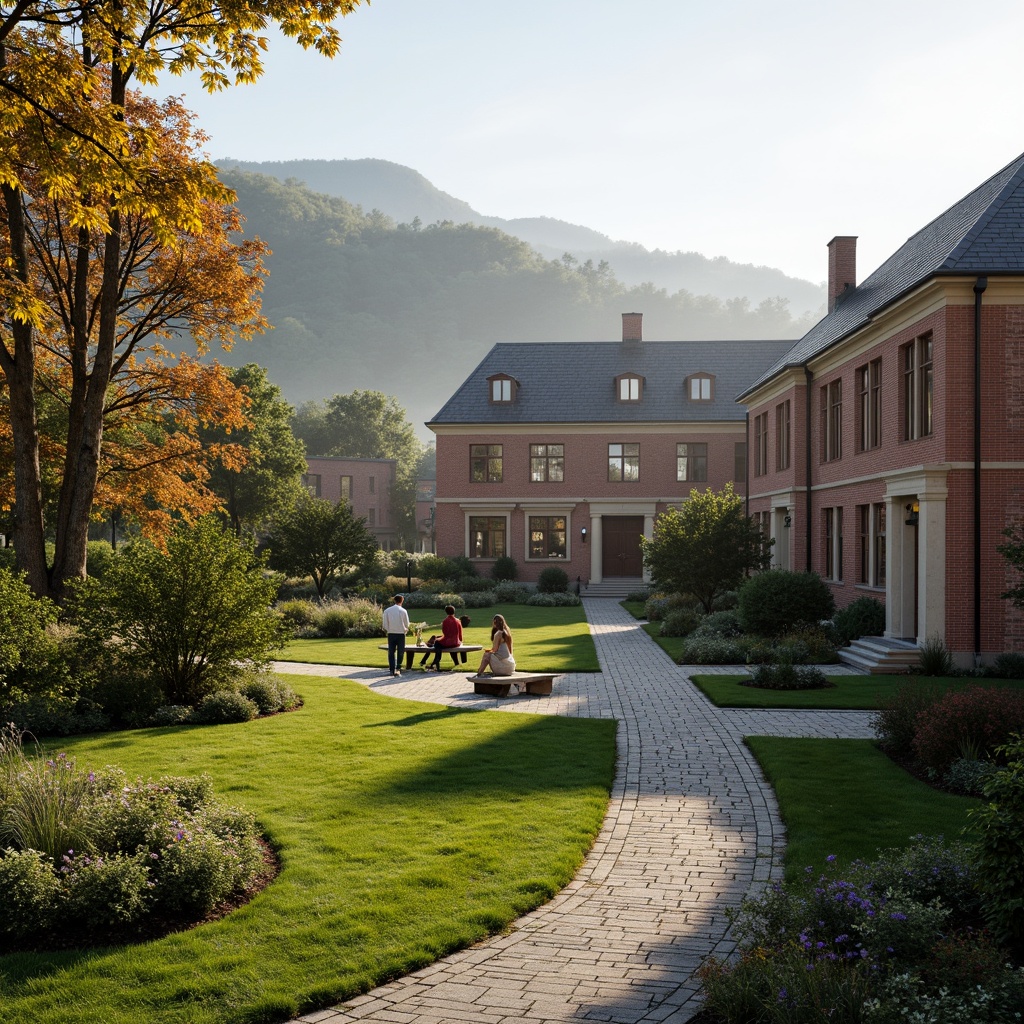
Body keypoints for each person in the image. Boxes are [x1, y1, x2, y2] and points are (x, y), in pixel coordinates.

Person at [381, 594, 410, 676]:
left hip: (391, 633)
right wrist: (405, 629)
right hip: (401, 633)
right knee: (400, 651)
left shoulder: (387, 611)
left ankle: (391, 669)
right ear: (402, 601)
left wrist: (389, 629)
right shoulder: (403, 611)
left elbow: (385, 624)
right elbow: (407, 624)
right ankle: (398, 667)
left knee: (391, 652)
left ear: (394, 600)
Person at [429, 604, 463, 670]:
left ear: (446, 612)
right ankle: (436, 663)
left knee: (437, 643)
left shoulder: (445, 621)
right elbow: (460, 634)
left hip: (448, 642)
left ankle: (437, 661)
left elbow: (445, 635)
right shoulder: (458, 621)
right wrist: (460, 641)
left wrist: (437, 639)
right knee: (438, 641)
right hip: (456, 642)